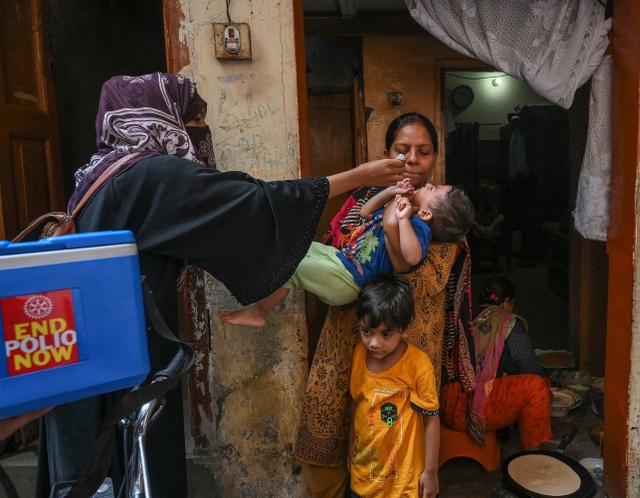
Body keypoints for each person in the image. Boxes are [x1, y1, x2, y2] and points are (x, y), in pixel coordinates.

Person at [33, 72, 406, 498]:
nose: (200, 135)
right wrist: (359, 176)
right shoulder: (148, 175)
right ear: (164, 117)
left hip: (80, 350)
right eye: (194, 122)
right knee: (124, 467)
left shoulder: (99, 170)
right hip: (121, 355)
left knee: (91, 467)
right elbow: (252, 202)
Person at [294, 112, 475, 498]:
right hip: (345, 341)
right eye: (402, 150)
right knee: (326, 441)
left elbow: (421, 278)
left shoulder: (443, 217)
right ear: (385, 153)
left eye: (424, 152)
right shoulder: (364, 201)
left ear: (434, 158)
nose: (412, 160)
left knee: (394, 456)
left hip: (409, 353)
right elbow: (335, 253)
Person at [218, 178, 474, 327]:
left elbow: (412, 256)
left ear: (427, 214)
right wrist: (391, 193)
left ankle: (260, 312)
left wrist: (404, 218)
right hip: (339, 260)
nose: (428, 183)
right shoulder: (400, 209)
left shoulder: (417, 227)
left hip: (348, 280)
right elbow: (365, 212)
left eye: (433, 189)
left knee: (293, 265)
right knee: (297, 246)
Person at [348, 276, 440, 498]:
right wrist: (349, 449)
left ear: (405, 329)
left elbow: (431, 420)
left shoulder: (418, 364)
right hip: (363, 477)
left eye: (386, 334)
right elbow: (356, 404)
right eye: (367, 331)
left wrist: (431, 471)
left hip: (403, 484)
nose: (374, 342)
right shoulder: (359, 355)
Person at [439, 276, 553, 449]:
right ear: (507, 302)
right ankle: (533, 453)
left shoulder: (463, 318)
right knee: (538, 386)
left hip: (446, 405)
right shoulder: (508, 322)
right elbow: (530, 368)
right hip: (472, 410)